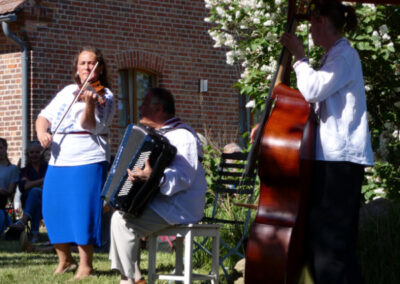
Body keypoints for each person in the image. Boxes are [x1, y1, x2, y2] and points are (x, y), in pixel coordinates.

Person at [278, 1, 374, 283]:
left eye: (311, 26)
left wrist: (298, 58)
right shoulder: (335, 55)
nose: (310, 32)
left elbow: (313, 90)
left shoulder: (343, 56)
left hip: (340, 161)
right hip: (334, 160)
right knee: (328, 244)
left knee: (332, 246)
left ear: (321, 21)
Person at [109, 87, 207, 284]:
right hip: (163, 203)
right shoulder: (155, 135)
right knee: (121, 213)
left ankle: (131, 280)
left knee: (121, 221)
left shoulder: (182, 136)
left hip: (180, 205)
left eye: (144, 104)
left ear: (159, 108)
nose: (139, 108)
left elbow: (183, 177)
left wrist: (155, 177)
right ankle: (132, 279)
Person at [36, 46, 115, 279]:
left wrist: (90, 104)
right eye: (83, 63)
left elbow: (91, 126)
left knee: (83, 211)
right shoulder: (68, 91)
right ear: (76, 67)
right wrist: (42, 133)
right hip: (60, 157)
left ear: (99, 69)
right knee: (52, 207)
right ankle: (65, 260)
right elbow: (44, 116)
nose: (87, 68)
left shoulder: (105, 95)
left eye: (91, 63)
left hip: (88, 156)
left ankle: (86, 265)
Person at [10, 141, 48, 243]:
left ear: (41, 153)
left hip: (48, 200)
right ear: (28, 154)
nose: (34, 155)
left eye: (37, 152)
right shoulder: (24, 170)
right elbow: (25, 186)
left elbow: (49, 186)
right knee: (36, 199)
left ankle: (24, 221)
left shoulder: (48, 168)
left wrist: (33, 183)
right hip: (29, 202)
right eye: (31, 152)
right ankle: (34, 235)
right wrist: (42, 180)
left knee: (35, 192)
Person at [0, 138, 19, 235]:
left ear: (5, 149)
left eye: (1, 148)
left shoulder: (12, 169)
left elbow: (11, 191)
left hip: (2, 197)